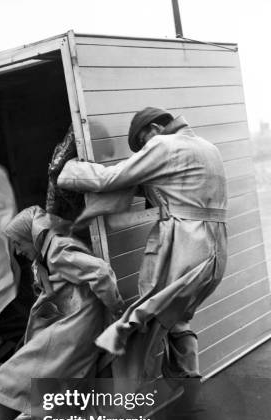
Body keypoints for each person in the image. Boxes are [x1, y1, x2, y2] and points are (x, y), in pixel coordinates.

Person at [57, 107, 228, 395]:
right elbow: (169, 187)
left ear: (155, 128)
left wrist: (68, 169)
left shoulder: (164, 145)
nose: (145, 150)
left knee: (139, 332)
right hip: (213, 254)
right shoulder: (208, 148)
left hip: (183, 252)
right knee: (177, 321)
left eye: (143, 143)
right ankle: (188, 393)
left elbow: (108, 179)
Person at [0, 205, 125, 420]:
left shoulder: (57, 250)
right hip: (72, 323)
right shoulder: (48, 253)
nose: (16, 250)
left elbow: (102, 272)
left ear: (30, 236)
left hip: (77, 327)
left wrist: (115, 309)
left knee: (12, 375)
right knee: (14, 372)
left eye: (17, 242)